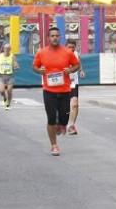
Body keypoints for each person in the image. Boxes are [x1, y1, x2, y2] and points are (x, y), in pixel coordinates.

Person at [32, 26, 80, 155]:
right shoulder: (41, 53)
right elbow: (34, 66)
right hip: (49, 90)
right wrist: (39, 71)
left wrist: (70, 70)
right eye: (52, 36)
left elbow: (77, 65)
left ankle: (61, 124)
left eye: (57, 36)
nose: (55, 38)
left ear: (60, 37)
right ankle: (54, 145)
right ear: (48, 38)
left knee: (64, 120)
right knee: (51, 118)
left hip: (64, 90)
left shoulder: (67, 52)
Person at [66, 42, 86, 135]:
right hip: (63, 83)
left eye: (73, 47)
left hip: (73, 82)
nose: (71, 49)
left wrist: (81, 70)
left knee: (75, 104)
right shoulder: (61, 54)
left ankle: (71, 125)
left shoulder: (76, 54)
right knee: (64, 106)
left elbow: (79, 63)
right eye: (69, 47)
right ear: (66, 47)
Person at [0, 43, 19, 109]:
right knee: (2, 91)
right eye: (5, 48)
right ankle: (5, 97)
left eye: (8, 48)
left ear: (10, 49)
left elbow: (16, 64)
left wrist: (16, 66)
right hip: (1, 76)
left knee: (9, 90)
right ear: (3, 49)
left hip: (10, 76)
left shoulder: (12, 56)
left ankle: (8, 103)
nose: (7, 50)